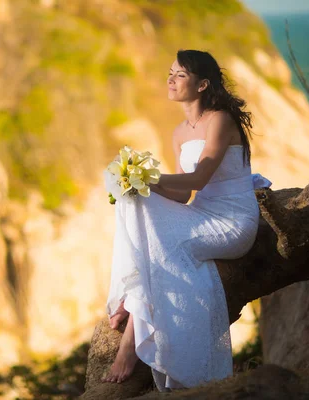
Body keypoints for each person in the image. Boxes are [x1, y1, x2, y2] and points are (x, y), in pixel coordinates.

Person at [101, 49, 271, 391]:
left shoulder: (219, 120)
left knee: (158, 243)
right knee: (133, 205)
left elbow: (199, 180)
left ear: (202, 84)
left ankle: (130, 342)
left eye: (180, 75)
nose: (171, 79)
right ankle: (132, 297)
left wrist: (147, 179)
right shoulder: (179, 132)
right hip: (200, 213)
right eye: (170, 73)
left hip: (231, 222)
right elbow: (182, 196)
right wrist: (135, 187)